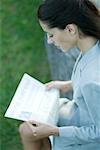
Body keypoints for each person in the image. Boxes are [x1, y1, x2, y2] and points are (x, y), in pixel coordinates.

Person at [19, 0, 100, 150]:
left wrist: (54, 131)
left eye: (51, 35)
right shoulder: (91, 48)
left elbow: (98, 132)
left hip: (85, 139)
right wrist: (67, 84)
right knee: (27, 130)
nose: (50, 41)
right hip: (77, 114)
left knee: (33, 130)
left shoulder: (92, 80)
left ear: (70, 29)